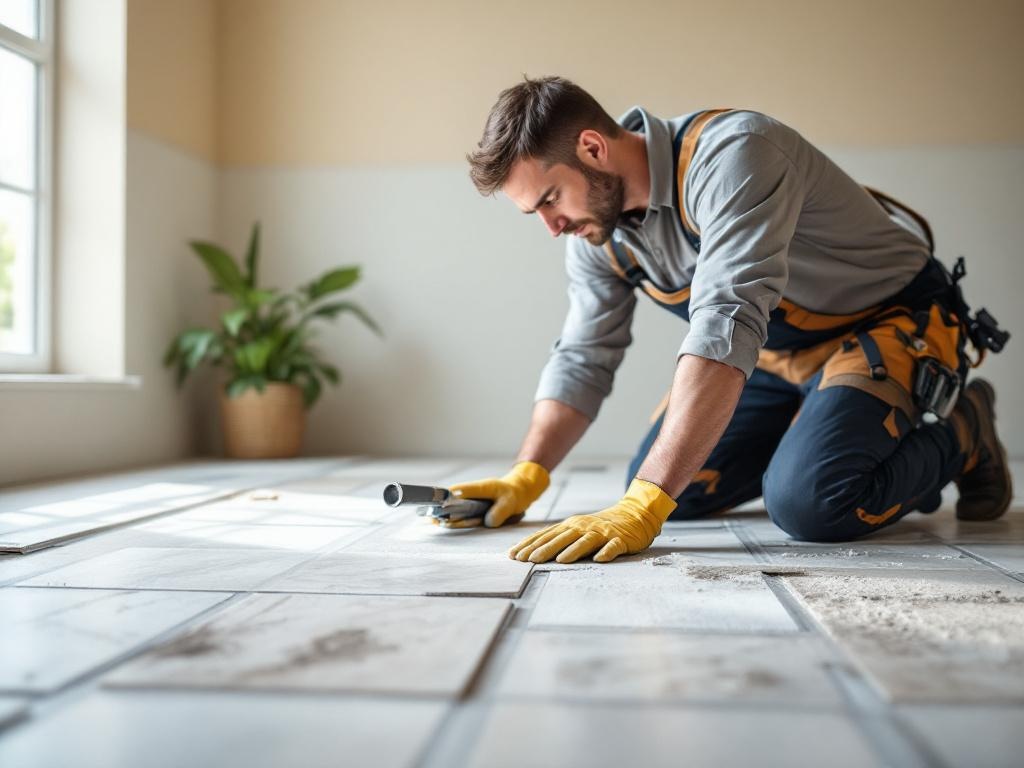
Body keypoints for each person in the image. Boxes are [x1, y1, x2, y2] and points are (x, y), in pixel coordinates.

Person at [450, 76, 1011, 565]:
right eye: (536, 212)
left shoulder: (735, 153)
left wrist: (647, 504)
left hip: (888, 323)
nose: (552, 226)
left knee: (811, 502)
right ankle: (824, 426)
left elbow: (727, 319)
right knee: (679, 490)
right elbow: (584, 354)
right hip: (776, 351)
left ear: (593, 147)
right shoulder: (596, 231)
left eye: (550, 199)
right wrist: (529, 474)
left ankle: (967, 428)